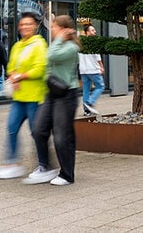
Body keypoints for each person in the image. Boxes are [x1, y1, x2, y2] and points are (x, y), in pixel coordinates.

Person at [0, 12, 47, 180]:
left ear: (35, 26)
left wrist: (20, 76)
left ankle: (44, 166)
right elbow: (11, 66)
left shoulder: (39, 44)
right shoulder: (17, 46)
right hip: (19, 97)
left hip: (34, 97)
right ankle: (11, 164)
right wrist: (13, 75)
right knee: (12, 128)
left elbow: (40, 69)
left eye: (28, 24)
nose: (25, 27)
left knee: (36, 133)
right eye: (22, 24)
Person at [24, 14, 81, 186]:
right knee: (38, 129)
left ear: (63, 30)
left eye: (55, 27)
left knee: (62, 137)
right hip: (51, 93)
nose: (52, 30)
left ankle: (67, 175)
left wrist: (59, 39)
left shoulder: (72, 47)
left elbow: (50, 56)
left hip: (66, 95)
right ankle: (45, 167)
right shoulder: (59, 45)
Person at [78, 24, 104, 116]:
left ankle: (86, 110)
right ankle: (90, 102)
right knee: (101, 86)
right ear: (87, 32)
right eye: (92, 30)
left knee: (86, 90)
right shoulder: (93, 43)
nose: (95, 32)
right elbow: (98, 57)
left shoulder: (80, 43)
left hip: (83, 70)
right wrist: (101, 66)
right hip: (93, 69)